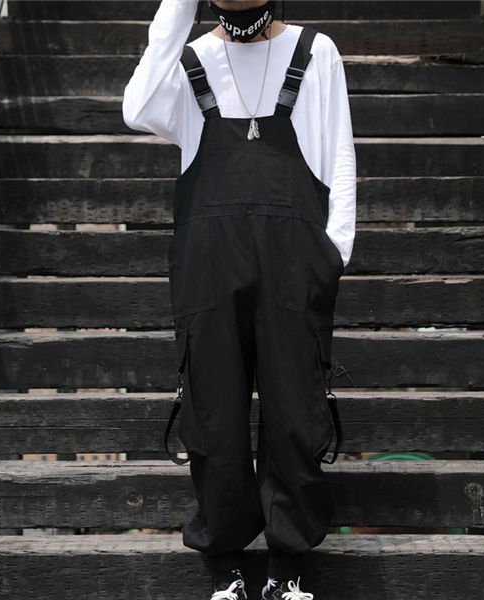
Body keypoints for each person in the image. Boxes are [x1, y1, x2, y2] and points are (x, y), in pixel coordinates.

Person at [122, 1, 356, 598]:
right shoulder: (190, 60)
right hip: (209, 263)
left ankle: (288, 565)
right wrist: (179, 10)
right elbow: (137, 108)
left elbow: (339, 160)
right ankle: (225, 562)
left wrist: (332, 254)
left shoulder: (315, 52)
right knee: (213, 413)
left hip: (294, 260)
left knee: (294, 409)